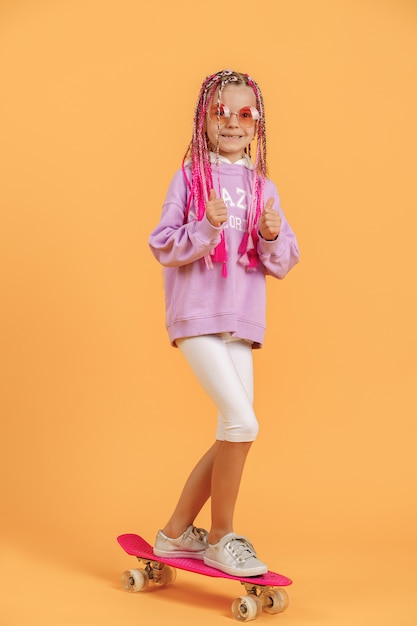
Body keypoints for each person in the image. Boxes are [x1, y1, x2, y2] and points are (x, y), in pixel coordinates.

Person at [148, 69, 299, 577]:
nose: (231, 123)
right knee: (243, 423)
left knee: (234, 430)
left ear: (257, 125)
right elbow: (162, 243)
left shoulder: (263, 186)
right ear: (203, 120)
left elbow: (282, 260)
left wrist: (273, 235)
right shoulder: (190, 177)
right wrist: (206, 225)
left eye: (243, 114)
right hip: (195, 315)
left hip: (241, 322)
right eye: (220, 113)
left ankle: (173, 534)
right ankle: (220, 537)